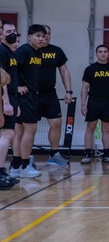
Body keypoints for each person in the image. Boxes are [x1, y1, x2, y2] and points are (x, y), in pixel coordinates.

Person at [14, 24, 70, 174]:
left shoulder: (39, 53)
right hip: (24, 96)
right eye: (38, 36)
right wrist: (16, 87)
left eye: (44, 35)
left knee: (28, 129)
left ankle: (18, 164)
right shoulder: (24, 50)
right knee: (26, 129)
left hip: (41, 94)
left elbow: (64, 71)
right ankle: (23, 163)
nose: (42, 38)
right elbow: (11, 68)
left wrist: (68, 91)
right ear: (30, 37)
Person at [35, 25, 73, 167]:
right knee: (30, 127)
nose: (46, 36)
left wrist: (68, 91)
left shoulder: (56, 51)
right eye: (43, 34)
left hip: (50, 94)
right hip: (32, 95)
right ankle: (26, 158)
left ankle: (54, 154)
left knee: (57, 123)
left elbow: (64, 71)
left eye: (48, 34)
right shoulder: (29, 51)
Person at [80, 45, 109, 164]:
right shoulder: (90, 69)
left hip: (107, 102)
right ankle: (87, 154)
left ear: (108, 54)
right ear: (96, 54)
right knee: (91, 127)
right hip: (94, 100)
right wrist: (83, 104)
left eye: (105, 51)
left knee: (107, 128)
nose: (103, 53)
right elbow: (85, 87)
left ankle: (106, 154)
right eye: (100, 52)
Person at [0, 21, 20, 188]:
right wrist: (5, 102)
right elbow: (2, 80)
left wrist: (15, 102)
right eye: (7, 31)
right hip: (5, 98)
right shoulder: (1, 51)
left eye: (14, 30)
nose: (12, 34)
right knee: (6, 134)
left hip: (12, 97)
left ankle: (2, 171)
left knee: (8, 134)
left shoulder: (10, 52)